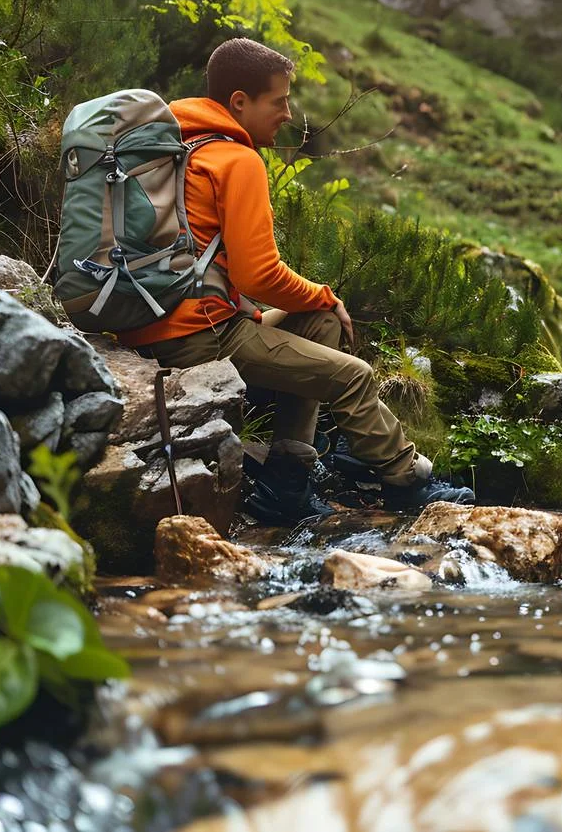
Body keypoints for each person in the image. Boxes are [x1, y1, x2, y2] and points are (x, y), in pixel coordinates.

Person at [117, 38, 473, 524]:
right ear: (239, 102)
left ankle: (287, 483)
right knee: (353, 375)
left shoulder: (176, 145)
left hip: (147, 321)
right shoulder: (236, 160)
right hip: (198, 335)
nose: (288, 113)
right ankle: (406, 478)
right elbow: (259, 275)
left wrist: (317, 305)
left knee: (320, 320)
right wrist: (327, 292)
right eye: (279, 100)